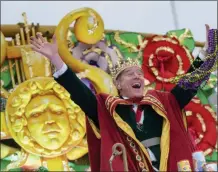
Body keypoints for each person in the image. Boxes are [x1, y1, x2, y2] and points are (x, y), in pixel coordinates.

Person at [30, 25, 215, 171]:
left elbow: (189, 84)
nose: (137, 77)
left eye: (139, 74)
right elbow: (81, 94)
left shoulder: (165, 103)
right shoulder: (108, 110)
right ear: (118, 84)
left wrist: (207, 53)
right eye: (130, 74)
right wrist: (56, 59)